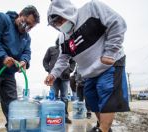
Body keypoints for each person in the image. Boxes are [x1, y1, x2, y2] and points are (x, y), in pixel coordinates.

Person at [44, 0, 130, 132]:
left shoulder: (92, 9)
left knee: (105, 90)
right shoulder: (63, 37)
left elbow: (118, 23)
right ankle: (103, 126)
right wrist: (53, 74)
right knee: (91, 98)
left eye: (61, 20)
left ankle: (103, 129)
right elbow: (63, 58)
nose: (61, 26)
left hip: (109, 63)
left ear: (67, 12)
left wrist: (110, 51)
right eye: (57, 24)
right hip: (89, 72)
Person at [0, 5, 40, 132]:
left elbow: (27, 52)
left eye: (31, 27)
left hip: (9, 73)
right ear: (20, 14)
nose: (27, 27)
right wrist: (3, 56)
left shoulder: (26, 38)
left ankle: (13, 128)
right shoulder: (1, 19)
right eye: (26, 23)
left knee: (12, 103)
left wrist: (24, 61)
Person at [43, 38, 76, 124]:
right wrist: (49, 69)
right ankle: (54, 117)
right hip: (53, 78)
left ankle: (65, 117)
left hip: (65, 77)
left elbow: (73, 62)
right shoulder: (51, 49)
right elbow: (45, 61)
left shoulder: (68, 50)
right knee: (53, 97)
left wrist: (70, 70)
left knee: (64, 97)